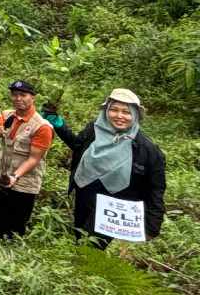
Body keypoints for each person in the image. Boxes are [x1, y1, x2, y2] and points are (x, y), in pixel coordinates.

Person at [44, 89, 166, 248]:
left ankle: (84, 269)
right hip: (84, 195)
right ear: (106, 111)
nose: (119, 116)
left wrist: (153, 225)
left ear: (135, 115)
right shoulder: (94, 130)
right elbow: (77, 145)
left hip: (114, 206)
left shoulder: (147, 150)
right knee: (80, 236)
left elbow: (156, 188)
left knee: (92, 246)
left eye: (126, 112)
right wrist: (59, 125)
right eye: (114, 110)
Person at [0, 81, 53, 245]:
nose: (18, 98)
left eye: (23, 95)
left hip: (24, 183)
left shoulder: (42, 127)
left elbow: (34, 158)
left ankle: (10, 258)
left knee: (15, 226)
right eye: (14, 94)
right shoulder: (7, 115)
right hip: (3, 177)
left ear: (33, 97)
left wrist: (15, 176)